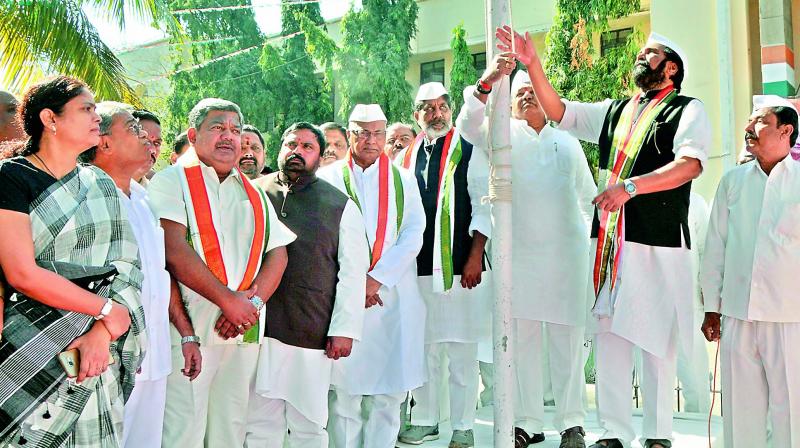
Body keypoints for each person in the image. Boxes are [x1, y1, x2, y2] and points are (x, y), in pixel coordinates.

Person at [497, 27, 711, 448]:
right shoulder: (617, 110)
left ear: (670, 67)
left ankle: (657, 434)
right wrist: (533, 64)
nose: (639, 56)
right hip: (612, 245)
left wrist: (629, 188)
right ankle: (614, 432)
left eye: (650, 53)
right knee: (610, 336)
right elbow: (560, 113)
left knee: (654, 341)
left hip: (658, 244)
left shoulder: (686, 109)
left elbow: (690, 166)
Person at [0, 76, 145, 447]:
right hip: (33, 341)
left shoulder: (100, 182)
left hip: (98, 348)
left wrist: (101, 333)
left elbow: (127, 266)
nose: (97, 116)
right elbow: (22, 273)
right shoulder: (12, 178)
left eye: (96, 108)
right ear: (50, 119)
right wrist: (104, 310)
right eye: (86, 108)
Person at [458, 60, 596, 447]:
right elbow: (467, 125)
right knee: (523, 343)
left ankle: (572, 423)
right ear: (511, 106)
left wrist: (588, 248)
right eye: (520, 93)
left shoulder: (567, 141)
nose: (527, 96)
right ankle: (527, 422)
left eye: (533, 91)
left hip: (567, 259)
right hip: (519, 259)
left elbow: (589, 200)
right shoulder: (499, 134)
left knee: (569, 345)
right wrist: (486, 83)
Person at [148, 98, 295, 448]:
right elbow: (172, 249)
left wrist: (250, 304)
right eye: (218, 127)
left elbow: (278, 254)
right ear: (193, 134)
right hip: (189, 329)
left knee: (230, 425)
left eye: (235, 129)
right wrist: (228, 301)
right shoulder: (171, 181)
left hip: (242, 327)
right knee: (184, 428)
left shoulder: (254, 191)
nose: (229, 136)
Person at [245, 122, 369, 447]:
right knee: (258, 422)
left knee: (309, 423)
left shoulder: (339, 206)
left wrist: (344, 329)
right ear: (280, 148)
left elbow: (353, 275)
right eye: (291, 144)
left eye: (306, 147)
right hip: (257, 327)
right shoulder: (254, 193)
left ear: (318, 155)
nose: (296, 151)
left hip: (309, 328)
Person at [319, 104, 426, 448]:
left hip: (391, 297)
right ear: (349, 134)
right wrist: (353, 284)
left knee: (388, 395)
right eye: (363, 132)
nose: (371, 140)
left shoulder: (403, 179)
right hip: (342, 297)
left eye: (378, 132)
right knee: (344, 397)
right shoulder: (329, 178)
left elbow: (414, 233)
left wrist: (376, 279)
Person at [701, 95, 800, 448]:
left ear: (786, 131)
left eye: (759, 121)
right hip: (737, 315)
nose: (748, 129)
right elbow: (715, 248)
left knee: (792, 412)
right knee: (741, 412)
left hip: (790, 319)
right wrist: (711, 306)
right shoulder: (732, 182)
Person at [397, 82, 492, 448]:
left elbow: (485, 204)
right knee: (424, 349)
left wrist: (473, 257)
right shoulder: (406, 156)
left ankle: (463, 425)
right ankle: (424, 420)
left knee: (461, 350)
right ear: (415, 115)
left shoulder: (468, 149)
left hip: (460, 267)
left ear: (450, 110)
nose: (436, 114)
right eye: (427, 108)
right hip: (415, 269)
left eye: (442, 107)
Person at [79, 101, 177, 448]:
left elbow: (159, 276)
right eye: (134, 129)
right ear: (103, 142)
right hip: (107, 352)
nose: (147, 140)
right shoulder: (83, 192)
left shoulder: (144, 198)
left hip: (153, 351)